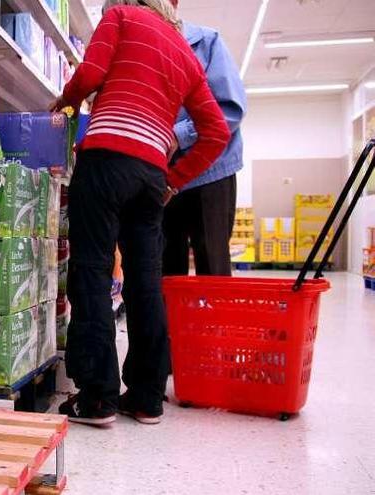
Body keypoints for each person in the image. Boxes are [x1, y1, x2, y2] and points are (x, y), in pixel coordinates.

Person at [50, 0, 229, 426]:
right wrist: (174, 179)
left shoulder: (121, 17)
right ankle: (147, 397)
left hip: (107, 157)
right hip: (151, 175)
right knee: (146, 281)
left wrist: (63, 102)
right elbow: (217, 131)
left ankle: (97, 398)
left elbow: (91, 75)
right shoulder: (185, 51)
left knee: (91, 271)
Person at [163, 0, 247, 276]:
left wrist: (179, 134)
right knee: (166, 268)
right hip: (163, 174)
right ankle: (173, 321)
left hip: (212, 173)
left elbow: (230, 109)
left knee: (212, 263)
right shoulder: (143, 48)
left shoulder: (206, 43)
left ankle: (214, 321)